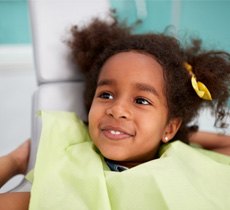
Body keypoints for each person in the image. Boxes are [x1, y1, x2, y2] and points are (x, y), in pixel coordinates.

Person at [1, 14, 230, 209]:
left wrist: (176, 135)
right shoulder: (68, 173)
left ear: (170, 126)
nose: (117, 109)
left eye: (141, 100)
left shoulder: (182, 161)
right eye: (106, 95)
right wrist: (16, 161)